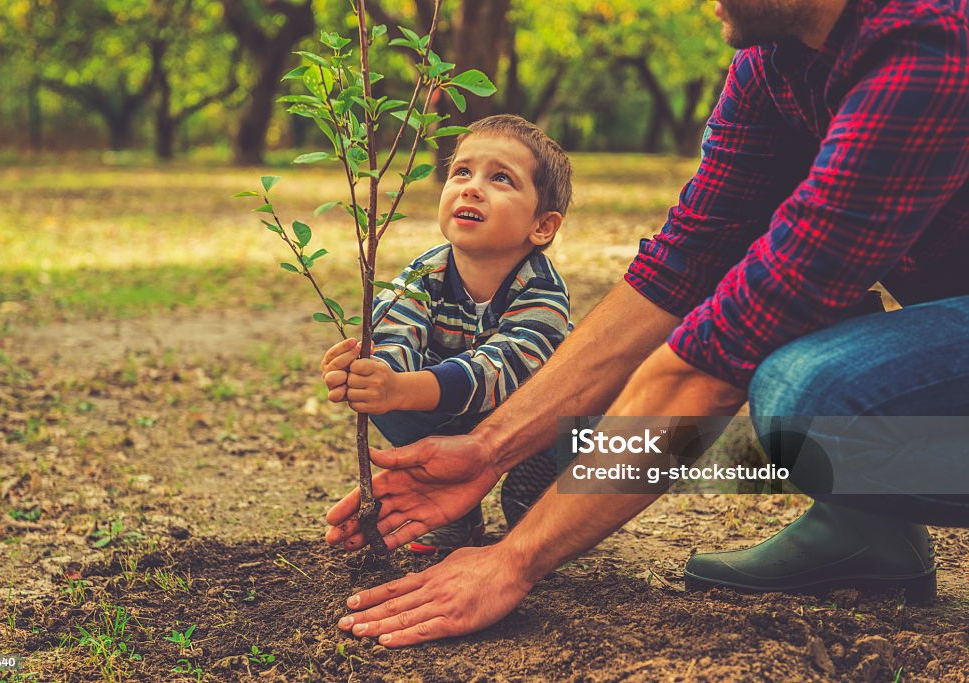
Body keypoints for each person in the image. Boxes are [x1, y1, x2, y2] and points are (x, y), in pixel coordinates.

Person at [322, 0, 969, 648]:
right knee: (792, 307)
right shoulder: (771, 64)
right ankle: (869, 531)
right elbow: (680, 269)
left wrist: (513, 559)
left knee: (813, 398)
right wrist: (488, 448)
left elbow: (713, 364)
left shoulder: (928, 46)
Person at [320, 114, 575, 554]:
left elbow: (500, 370)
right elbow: (396, 331)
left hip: (533, 419)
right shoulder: (425, 274)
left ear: (542, 226)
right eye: (461, 171)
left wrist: (403, 387)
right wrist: (371, 375)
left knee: (578, 426)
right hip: (452, 413)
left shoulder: (543, 292)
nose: (471, 187)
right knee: (387, 397)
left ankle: (544, 485)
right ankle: (453, 506)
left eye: (501, 178)